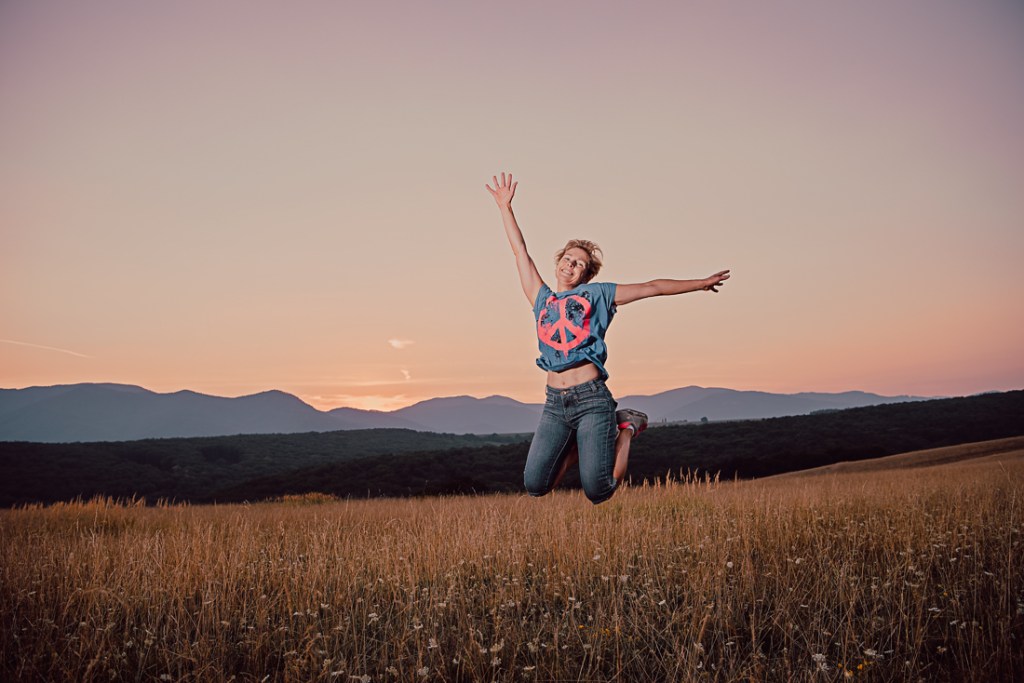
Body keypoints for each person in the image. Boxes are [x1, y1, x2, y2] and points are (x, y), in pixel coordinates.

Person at [486, 172, 730, 504]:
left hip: (591, 399)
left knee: (598, 490)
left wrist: (699, 284)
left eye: (580, 264)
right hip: (555, 403)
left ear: (586, 274)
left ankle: (626, 428)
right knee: (536, 485)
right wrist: (505, 207)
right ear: (558, 263)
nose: (571, 265)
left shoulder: (598, 295)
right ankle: (579, 445)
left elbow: (651, 287)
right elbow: (520, 252)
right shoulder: (541, 298)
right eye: (568, 259)